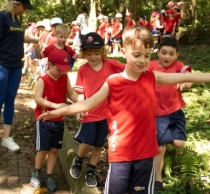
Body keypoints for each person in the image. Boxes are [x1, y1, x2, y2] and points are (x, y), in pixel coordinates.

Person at [37, 25, 210, 194]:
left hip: (146, 153)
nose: (142, 60)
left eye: (147, 56)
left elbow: (187, 75)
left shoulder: (151, 77)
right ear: (123, 52)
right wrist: (59, 111)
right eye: (136, 55)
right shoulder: (113, 82)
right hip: (121, 153)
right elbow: (88, 104)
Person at [69, 32, 125, 188]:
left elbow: (129, 69)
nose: (93, 56)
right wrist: (80, 108)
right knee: (86, 143)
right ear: (84, 54)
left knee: (98, 145)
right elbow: (80, 92)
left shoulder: (111, 65)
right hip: (89, 112)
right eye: (89, 53)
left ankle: (91, 171)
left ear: (102, 52)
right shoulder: (83, 70)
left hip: (106, 114)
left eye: (96, 53)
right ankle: (78, 160)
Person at [147, 37, 193, 192]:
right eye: (163, 52)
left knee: (179, 143)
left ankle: (165, 137)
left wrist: (185, 82)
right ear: (158, 52)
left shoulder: (178, 66)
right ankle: (157, 179)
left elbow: (188, 77)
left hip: (175, 111)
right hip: (157, 113)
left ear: (177, 55)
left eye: (171, 54)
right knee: (160, 148)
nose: (167, 57)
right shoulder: (151, 65)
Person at [30, 49, 78, 193]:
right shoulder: (42, 79)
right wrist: (56, 106)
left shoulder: (64, 77)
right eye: (59, 69)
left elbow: (70, 94)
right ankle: (36, 171)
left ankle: (49, 176)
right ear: (50, 65)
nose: (62, 72)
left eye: (65, 70)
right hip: (44, 119)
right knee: (43, 149)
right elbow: (37, 98)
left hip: (59, 120)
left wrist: (83, 102)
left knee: (54, 149)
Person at [0, 0, 38, 151]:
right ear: (16, 4)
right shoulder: (2, 17)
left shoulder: (16, 19)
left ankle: (6, 137)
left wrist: (36, 40)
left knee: (10, 100)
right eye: (24, 7)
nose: (25, 10)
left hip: (16, 66)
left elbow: (17, 37)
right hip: (2, 65)